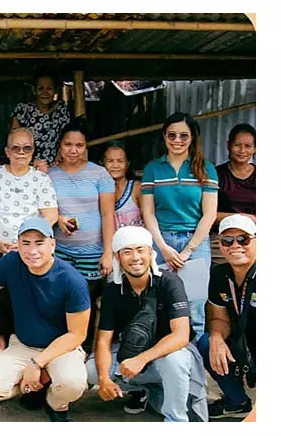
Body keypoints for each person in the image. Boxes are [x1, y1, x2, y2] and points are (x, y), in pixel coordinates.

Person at [0, 217, 90, 422]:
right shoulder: (11, 262)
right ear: (18, 245)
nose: (32, 251)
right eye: (26, 243)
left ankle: (55, 402)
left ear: (52, 244)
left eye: (39, 243)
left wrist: (37, 364)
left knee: (72, 385)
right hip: (23, 344)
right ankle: (31, 386)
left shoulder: (72, 280)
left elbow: (77, 334)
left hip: (61, 348)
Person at [86, 226, 207, 422]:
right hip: (131, 352)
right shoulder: (113, 290)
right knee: (92, 370)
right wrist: (103, 380)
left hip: (169, 354)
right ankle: (145, 389)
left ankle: (176, 420)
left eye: (141, 250)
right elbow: (103, 341)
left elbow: (181, 335)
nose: (135, 257)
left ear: (151, 253)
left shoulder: (169, 282)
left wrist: (141, 359)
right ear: (117, 257)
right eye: (127, 251)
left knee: (173, 361)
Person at [0, 127, 58, 349]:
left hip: (31, 254)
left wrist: (29, 240)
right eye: (16, 148)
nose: (21, 152)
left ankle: (26, 344)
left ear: (33, 151)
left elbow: (51, 214)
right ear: (6, 151)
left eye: (27, 148)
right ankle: (0, 343)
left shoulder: (40, 179)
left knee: (28, 299)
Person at [141, 112, 218, 341]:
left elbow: (209, 214)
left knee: (194, 305)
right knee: (158, 301)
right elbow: (148, 212)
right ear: (164, 136)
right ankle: (160, 356)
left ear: (193, 137)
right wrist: (163, 247)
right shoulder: (153, 169)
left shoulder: (206, 168)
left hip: (195, 242)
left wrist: (188, 250)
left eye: (184, 135)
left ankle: (193, 360)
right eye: (172, 135)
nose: (177, 140)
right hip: (161, 240)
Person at [48, 119, 115, 352]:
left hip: (92, 251)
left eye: (79, 145)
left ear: (86, 147)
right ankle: (57, 350)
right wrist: (58, 219)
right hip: (60, 251)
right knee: (58, 301)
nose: (73, 150)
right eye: (68, 144)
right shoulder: (49, 175)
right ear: (60, 145)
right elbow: (44, 209)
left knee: (85, 305)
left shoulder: (100, 174)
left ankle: (82, 351)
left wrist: (108, 253)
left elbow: (108, 215)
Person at [197, 214, 256, 419]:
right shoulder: (220, 273)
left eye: (244, 239)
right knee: (205, 343)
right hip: (243, 343)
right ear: (220, 246)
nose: (235, 246)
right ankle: (237, 402)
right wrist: (216, 337)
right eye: (227, 241)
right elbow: (219, 318)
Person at [10, 67, 72, 172]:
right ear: (34, 90)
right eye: (40, 88)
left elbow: (67, 137)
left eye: (49, 88)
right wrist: (29, 162)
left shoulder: (61, 110)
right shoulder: (23, 109)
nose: (45, 92)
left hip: (54, 165)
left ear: (55, 90)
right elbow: (14, 140)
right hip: (26, 165)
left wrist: (59, 158)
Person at [210, 124, 255, 265]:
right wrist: (242, 218)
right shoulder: (215, 174)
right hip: (222, 240)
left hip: (254, 238)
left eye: (248, 146)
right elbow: (206, 213)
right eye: (237, 145)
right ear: (228, 145)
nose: (242, 151)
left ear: (255, 148)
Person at [102, 143, 144, 229]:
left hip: (137, 241)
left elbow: (149, 218)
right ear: (102, 163)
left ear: (127, 163)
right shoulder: (99, 191)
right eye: (110, 161)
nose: (115, 165)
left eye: (120, 161)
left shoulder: (137, 188)